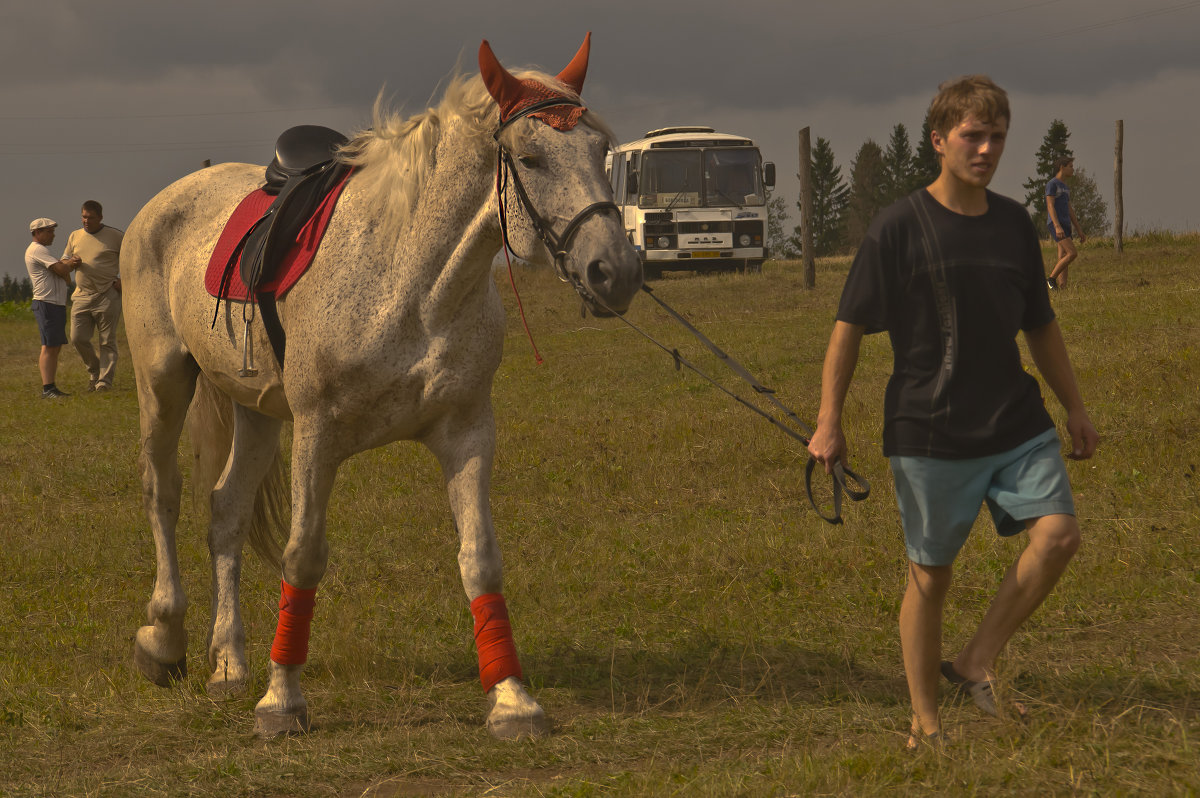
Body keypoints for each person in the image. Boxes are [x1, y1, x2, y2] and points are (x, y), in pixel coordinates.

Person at [806, 75, 1099, 749]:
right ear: (940, 141)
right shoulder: (898, 228)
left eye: (997, 136)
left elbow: (1041, 326)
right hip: (929, 433)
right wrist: (829, 420)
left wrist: (1074, 407)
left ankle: (975, 660)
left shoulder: (1014, 225)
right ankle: (925, 720)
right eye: (973, 135)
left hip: (1015, 421)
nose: (987, 148)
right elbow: (847, 328)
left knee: (1058, 536)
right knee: (931, 576)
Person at [63, 200, 124, 391]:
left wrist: (124, 280)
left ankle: (104, 382)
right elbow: (64, 261)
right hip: (81, 296)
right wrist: (71, 262)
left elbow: (132, 258)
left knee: (107, 340)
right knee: (77, 338)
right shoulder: (75, 236)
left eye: (90, 217)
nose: (86, 221)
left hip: (107, 294)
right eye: (83, 216)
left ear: (100, 217)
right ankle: (95, 371)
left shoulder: (115, 236)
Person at [25, 218, 81, 398]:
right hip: (46, 302)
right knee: (49, 346)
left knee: (54, 345)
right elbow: (63, 271)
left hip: (53, 303)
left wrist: (64, 268)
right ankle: (48, 388)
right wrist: (71, 263)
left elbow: (63, 275)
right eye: (49, 231)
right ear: (37, 233)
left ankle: (50, 387)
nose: (53, 235)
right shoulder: (38, 250)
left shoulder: (42, 251)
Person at [1045, 157, 1086, 289]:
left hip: (1066, 224)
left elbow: (1069, 209)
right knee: (1072, 253)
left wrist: (1079, 230)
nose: (1073, 169)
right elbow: (1050, 206)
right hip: (1056, 224)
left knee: (1063, 255)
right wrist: (1057, 226)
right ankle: (1051, 279)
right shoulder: (1052, 184)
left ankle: (1062, 288)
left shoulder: (1065, 187)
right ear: (1062, 167)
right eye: (1070, 166)